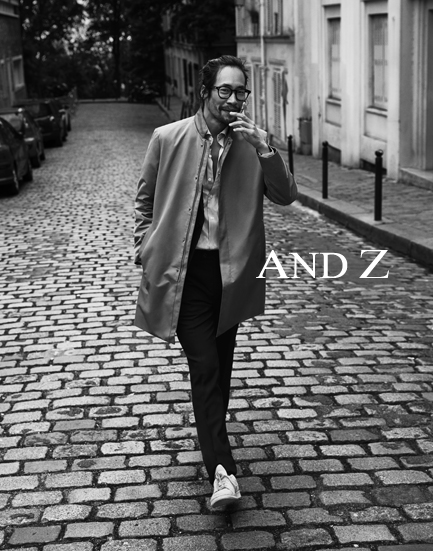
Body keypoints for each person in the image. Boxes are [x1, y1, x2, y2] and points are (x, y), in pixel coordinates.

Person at [134, 55, 297, 508]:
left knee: (220, 371)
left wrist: (264, 147)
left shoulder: (251, 144)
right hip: (183, 275)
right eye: (225, 90)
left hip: (229, 276)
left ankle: (211, 434)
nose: (233, 99)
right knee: (205, 366)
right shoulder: (167, 138)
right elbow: (144, 202)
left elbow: (286, 195)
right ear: (205, 92)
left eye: (241, 91)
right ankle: (222, 472)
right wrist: (144, 248)